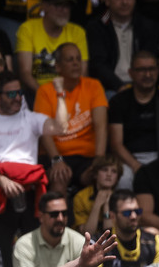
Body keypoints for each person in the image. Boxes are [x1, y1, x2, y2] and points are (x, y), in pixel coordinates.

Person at [0, 71, 70, 267]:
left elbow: (61, 128)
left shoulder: (30, 118)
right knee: (1, 250)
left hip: (30, 191)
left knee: (36, 247)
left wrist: (60, 94)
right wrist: (1, 180)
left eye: (19, 93)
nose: (18, 98)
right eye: (11, 94)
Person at [34, 43, 108, 195]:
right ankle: (59, 218)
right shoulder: (45, 91)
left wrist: (99, 160)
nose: (76, 63)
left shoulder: (93, 86)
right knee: (59, 177)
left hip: (86, 157)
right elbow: (44, 131)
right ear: (58, 67)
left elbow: (101, 125)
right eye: (70, 60)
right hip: (56, 155)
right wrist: (56, 160)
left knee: (101, 177)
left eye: (78, 59)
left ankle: (100, 219)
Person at [108, 51, 159, 190]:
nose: (148, 75)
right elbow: (116, 144)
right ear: (130, 73)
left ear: (158, 71)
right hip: (129, 160)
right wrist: (136, 166)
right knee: (122, 180)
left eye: (152, 69)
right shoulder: (119, 101)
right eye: (141, 70)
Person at [85, 0, 159, 94]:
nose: (124, 2)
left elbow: (151, 62)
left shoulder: (147, 26)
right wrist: (119, 87)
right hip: (111, 88)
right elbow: (98, 66)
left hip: (143, 85)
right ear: (107, 0)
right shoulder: (97, 27)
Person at [13, 192, 89, 267]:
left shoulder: (79, 242)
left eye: (64, 213)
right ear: (41, 216)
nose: (60, 218)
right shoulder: (24, 244)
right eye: (54, 214)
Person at [16, 0, 90, 95]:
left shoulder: (77, 32)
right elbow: (25, 73)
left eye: (66, 6)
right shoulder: (27, 29)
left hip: (70, 93)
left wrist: (67, 95)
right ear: (44, 6)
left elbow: (82, 72)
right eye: (58, 5)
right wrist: (45, 94)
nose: (63, 10)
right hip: (38, 93)